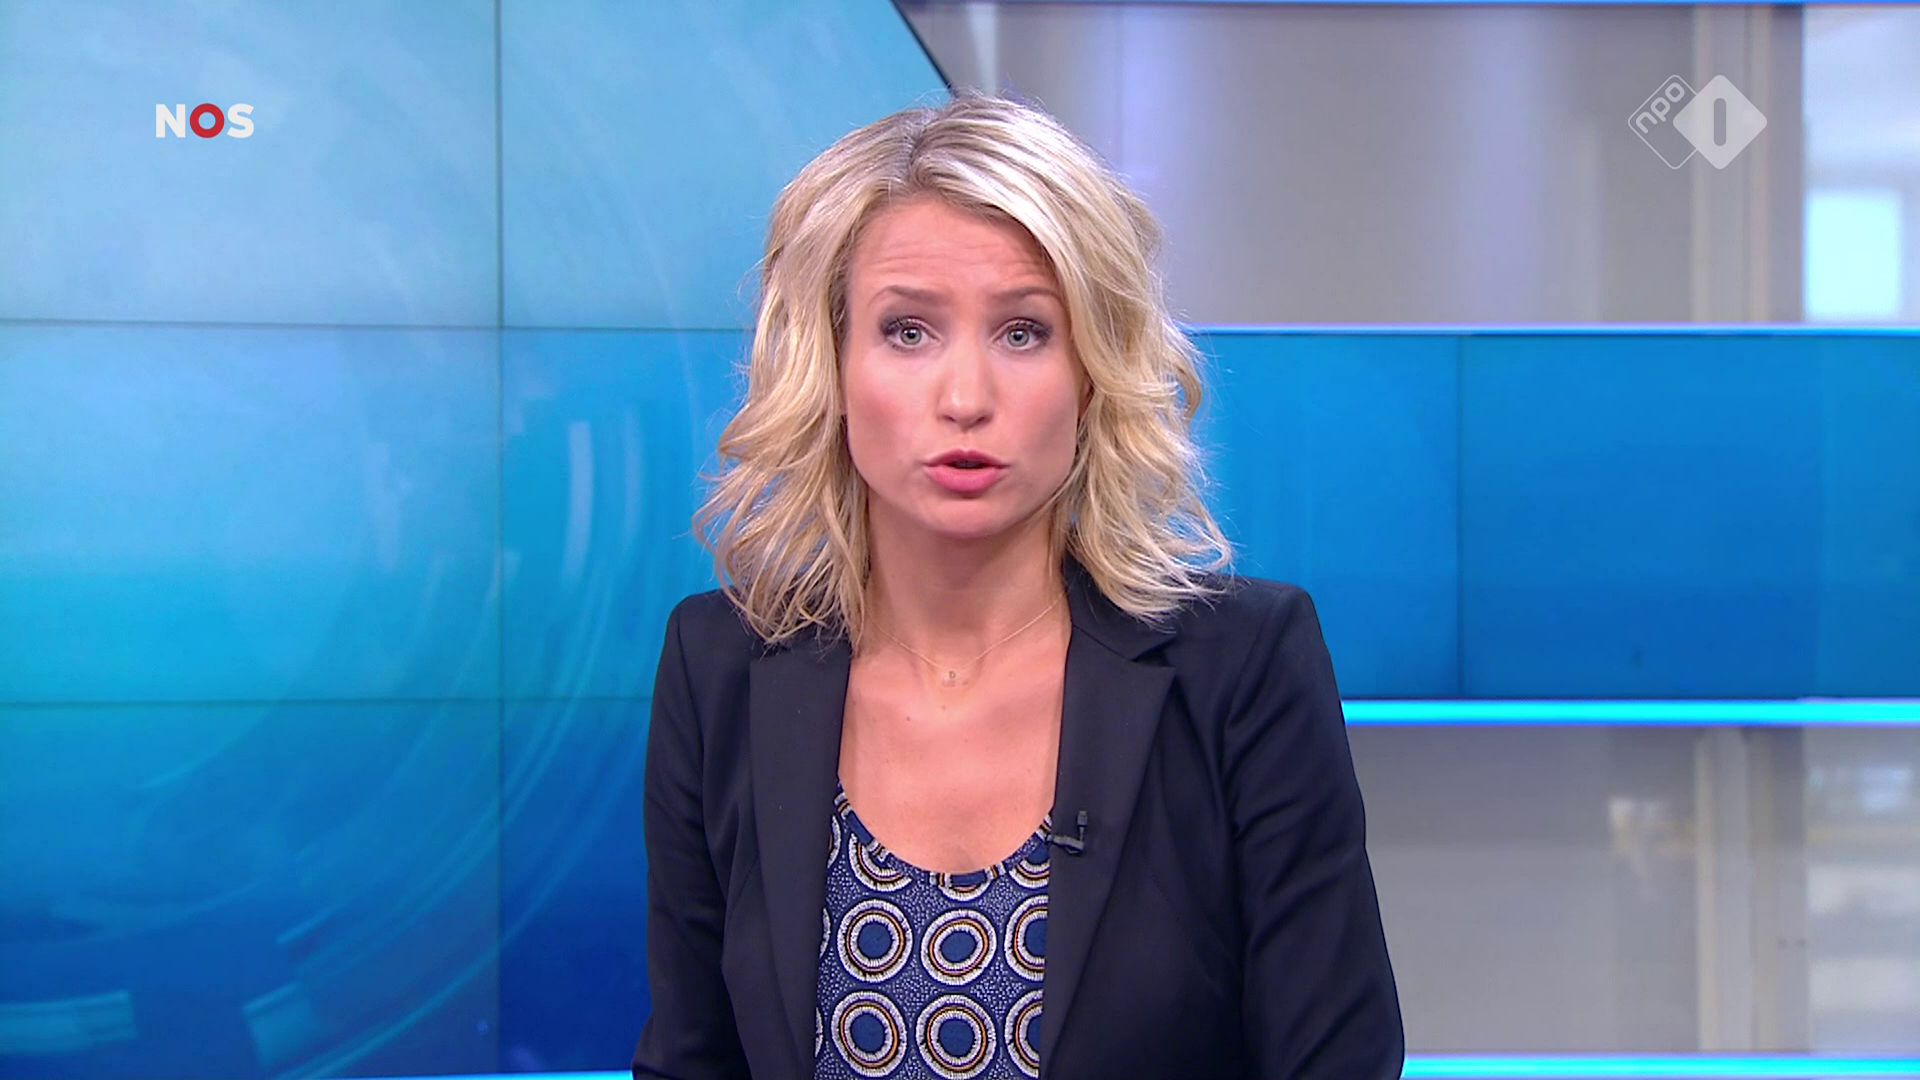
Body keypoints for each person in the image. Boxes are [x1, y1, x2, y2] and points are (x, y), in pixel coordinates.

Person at [632, 88, 1402, 1080]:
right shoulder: (720, 668)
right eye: (908, 331)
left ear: (1093, 373)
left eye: (1024, 332)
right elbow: (691, 1058)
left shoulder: (1243, 667)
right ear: (831, 364)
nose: (966, 398)